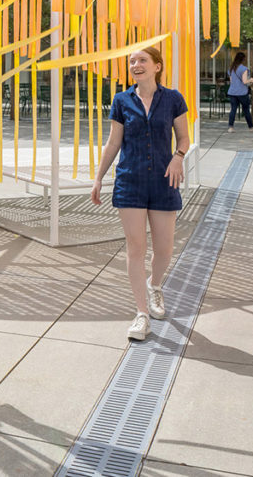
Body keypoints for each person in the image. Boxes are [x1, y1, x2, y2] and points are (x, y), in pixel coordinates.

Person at [91, 46, 190, 341]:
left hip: (164, 180)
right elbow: (113, 143)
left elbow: (183, 136)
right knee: (136, 248)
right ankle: (141, 314)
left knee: (165, 249)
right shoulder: (122, 100)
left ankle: (155, 285)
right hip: (130, 181)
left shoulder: (173, 99)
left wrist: (179, 156)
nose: (136, 65)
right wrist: (98, 178)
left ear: (157, 66)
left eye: (142, 60)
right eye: (132, 61)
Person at [226, 51, 253, 131]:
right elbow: (245, 81)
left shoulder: (231, 68)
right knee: (246, 110)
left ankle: (230, 127)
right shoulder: (244, 69)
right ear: (243, 59)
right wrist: (251, 80)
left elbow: (231, 81)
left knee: (233, 109)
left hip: (232, 92)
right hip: (242, 92)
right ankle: (250, 127)